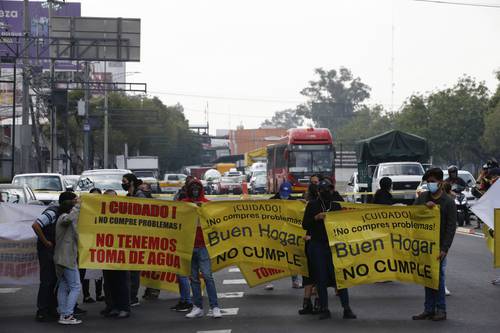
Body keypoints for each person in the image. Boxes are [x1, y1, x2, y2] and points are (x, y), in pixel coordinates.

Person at [302, 179, 356, 320]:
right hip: (317, 245)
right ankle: (324, 308)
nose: (327, 192)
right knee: (321, 278)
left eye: (329, 189)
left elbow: (345, 225)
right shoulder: (313, 205)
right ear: (318, 192)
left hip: (334, 245)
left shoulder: (336, 205)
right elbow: (304, 224)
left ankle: (347, 308)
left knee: (340, 277)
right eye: (324, 190)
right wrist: (316, 218)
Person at [412, 168, 457, 322]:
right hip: (424, 245)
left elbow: (451, 227)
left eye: (432, 181)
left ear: (440, 182)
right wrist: (424, 208)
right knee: (427, 278)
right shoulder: (423, 197)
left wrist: (445, 249)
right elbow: (412, 214)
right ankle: (428, 309)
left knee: (438, 278)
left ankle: (441, 309)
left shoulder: (448, 202)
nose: (430, 184)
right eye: (428, 182)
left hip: (439, 247)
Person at [183, 180, 222, 319]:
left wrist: (203, 210)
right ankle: (198, 307)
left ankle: (215, 306)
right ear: (188, 190)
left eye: (197, 188)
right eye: (192, 188)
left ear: (201, 189)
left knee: (207, 276)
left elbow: (215, 222)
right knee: (193, 279)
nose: (194, 190)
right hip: (188, 246)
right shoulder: (183, 204)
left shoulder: (207, 203)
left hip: (203, 246)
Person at [32, 192, 73, 322]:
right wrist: (46, 242)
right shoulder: (52, 212)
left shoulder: (63, 213)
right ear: (66, 202)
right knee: (47, 280)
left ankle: (51, 308)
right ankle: (42, 310)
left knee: (56, 280)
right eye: (73, 202)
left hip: (55, 250)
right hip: (47, 250)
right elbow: (36, 225)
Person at [100, 189, 131, 319]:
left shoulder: (124, 213)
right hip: (106, 253)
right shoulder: (101, 212)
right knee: (109, 282)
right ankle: (113, 306)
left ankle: (124, 308)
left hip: (120, 253)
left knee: (121, 282)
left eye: (112, 198)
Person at [265, 182, 301, 290]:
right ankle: (269, 281)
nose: (284, 195)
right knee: (271, 257)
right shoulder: (272, 200)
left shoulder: (294, 202)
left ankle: (295, 280)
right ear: (279, 191)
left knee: (292, 257)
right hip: (274, 232)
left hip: (289, 233)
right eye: (283, 193)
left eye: (286, 193)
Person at [54, 192, 82, 325]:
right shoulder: (64, 217)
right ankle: (68, 315)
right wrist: (77, 207)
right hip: (66, 258)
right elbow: (69, 219)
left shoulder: (62, 217)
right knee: (76, 286)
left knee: (64, 286)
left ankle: (63, 313)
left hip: (61, 257)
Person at [122, 173, 147, 307]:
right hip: (128, 237)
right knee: (128, 270)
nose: (123, 183)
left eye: (124, 181)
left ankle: (133, 297)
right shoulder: (128, 196)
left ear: (131, 182)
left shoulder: (139, 196)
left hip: (137, 237)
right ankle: (129, 295)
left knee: (134, 269)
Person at [299, 180, 321, 315]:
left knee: (310, 274)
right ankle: (317, 303)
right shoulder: (328, 204)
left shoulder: (310, 205)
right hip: (316, 243)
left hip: (312, 243)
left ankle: (308, 303)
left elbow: (305, 224)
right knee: (317, 274)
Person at [80, 188, 104, 304]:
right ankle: (86, 295)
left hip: (99, 242)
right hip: (86, 242)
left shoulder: (104, 208)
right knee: (86, 269)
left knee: (99, 269)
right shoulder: (84, 209)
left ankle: (99, 294)